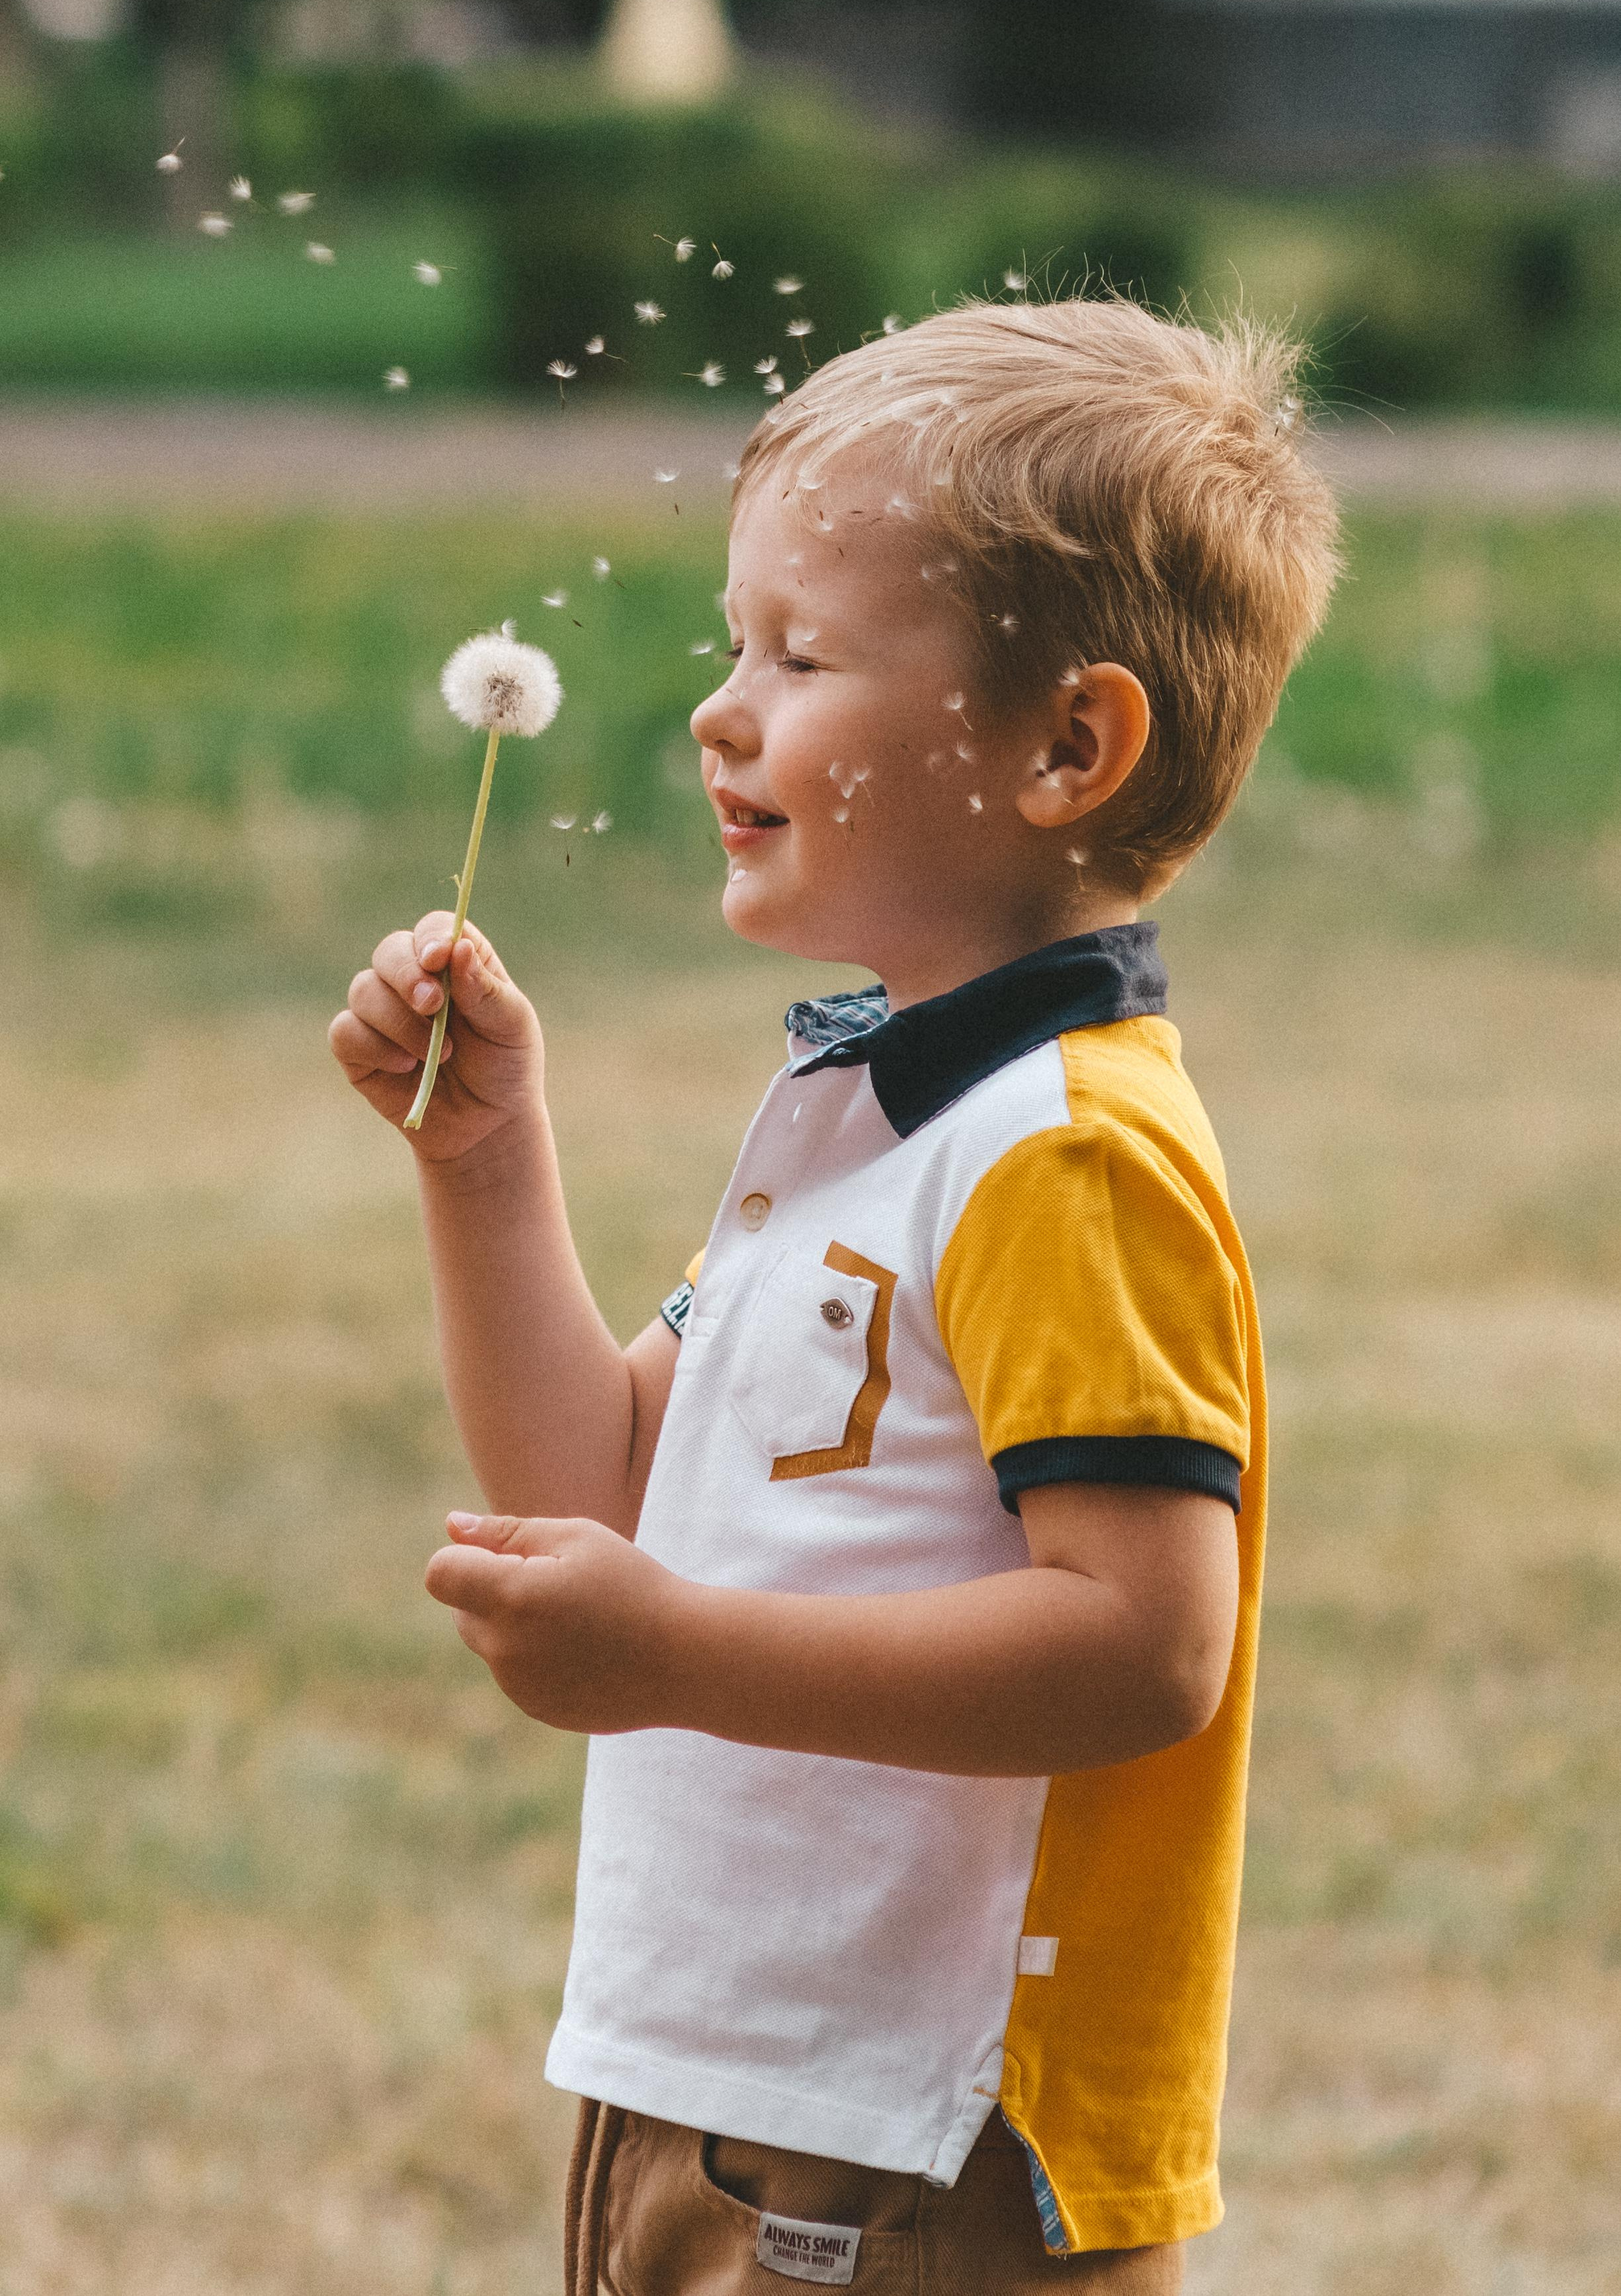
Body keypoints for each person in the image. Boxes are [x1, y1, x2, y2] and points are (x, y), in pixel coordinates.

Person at [330, 297, 1341, 2294]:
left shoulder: (1064, 1151)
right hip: (732, 2080)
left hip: (921, 2139)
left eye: (799, 654)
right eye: (733, 642)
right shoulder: (858, 1109)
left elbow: (1142, 1645)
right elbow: (603, 1482)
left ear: (1068, 745)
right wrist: (484, 1161)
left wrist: (678, 1656)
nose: (722, 707)